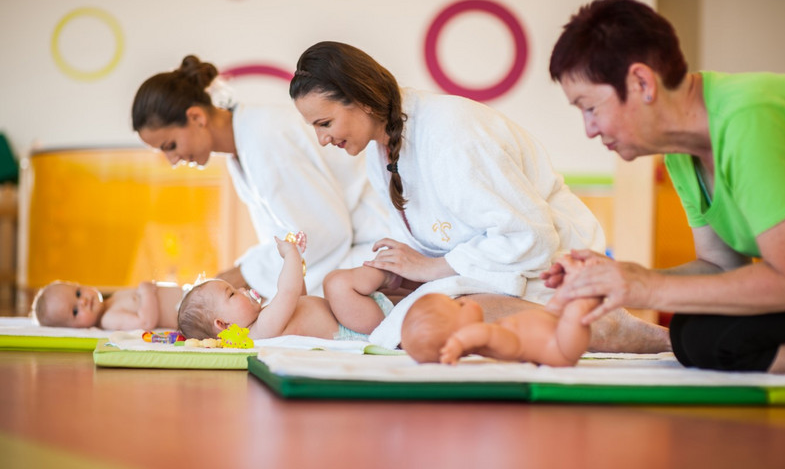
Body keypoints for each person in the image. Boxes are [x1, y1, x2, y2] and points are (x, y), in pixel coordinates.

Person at [289, 40, 670, 353]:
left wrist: (431, 270)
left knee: (454, 316)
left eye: (325, 124)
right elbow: (430, 245)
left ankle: (611, 328)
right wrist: (399, 272)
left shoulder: (451, 130)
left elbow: (530, 238)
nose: (323, 139)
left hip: (542, 270)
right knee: (351, 287)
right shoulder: (382, 151)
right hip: (479, 272)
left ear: (363, 99)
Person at [547, 0, 785, 373]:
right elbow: (721, 267)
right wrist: (618, 279)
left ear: (641, 82)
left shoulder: (747, 119)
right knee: (689, 329)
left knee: (709, 338)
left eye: (590, 107)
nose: (589, 130)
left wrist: (644, 286)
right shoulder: (682, 151)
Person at [131, 55, 390, 301]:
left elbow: (319, 235)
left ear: (196, 117)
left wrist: (239, 276)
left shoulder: (264, 137)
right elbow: (289, 237)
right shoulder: (243, 145)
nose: (172, 160)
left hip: (374, 247)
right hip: (349, 254)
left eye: (170, 145)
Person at [178, 236, 395, 341]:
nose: (243, 289)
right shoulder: (260, 330)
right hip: (354, 326)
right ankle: (391, 271)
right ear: (223, 324)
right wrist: (290, 254)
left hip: (356, 314)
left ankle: (397, 281)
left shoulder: (265, 319)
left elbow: (298, 297)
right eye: (232, 293)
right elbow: (287, 292)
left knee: (339, 285)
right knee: (335, 283)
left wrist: (297, 263)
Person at [401, 255, 598, 365]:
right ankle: (589, 292)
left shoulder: (493, 332)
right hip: (560, 346)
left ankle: (577, 281)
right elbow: (483, 334)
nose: (465, 302)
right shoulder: (494, 342)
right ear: (461, 335)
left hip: (552, 317)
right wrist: (460, 341)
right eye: (459, 306)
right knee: (576, 310)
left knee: (564, 295)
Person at [31, 280, 182, 330]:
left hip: (188, 295)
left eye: (78, 293)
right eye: (75, 311)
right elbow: (146, 322)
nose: (83, 301)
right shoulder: (108, 319)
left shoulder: (112, 299)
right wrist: (147, 292)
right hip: (186, 311)